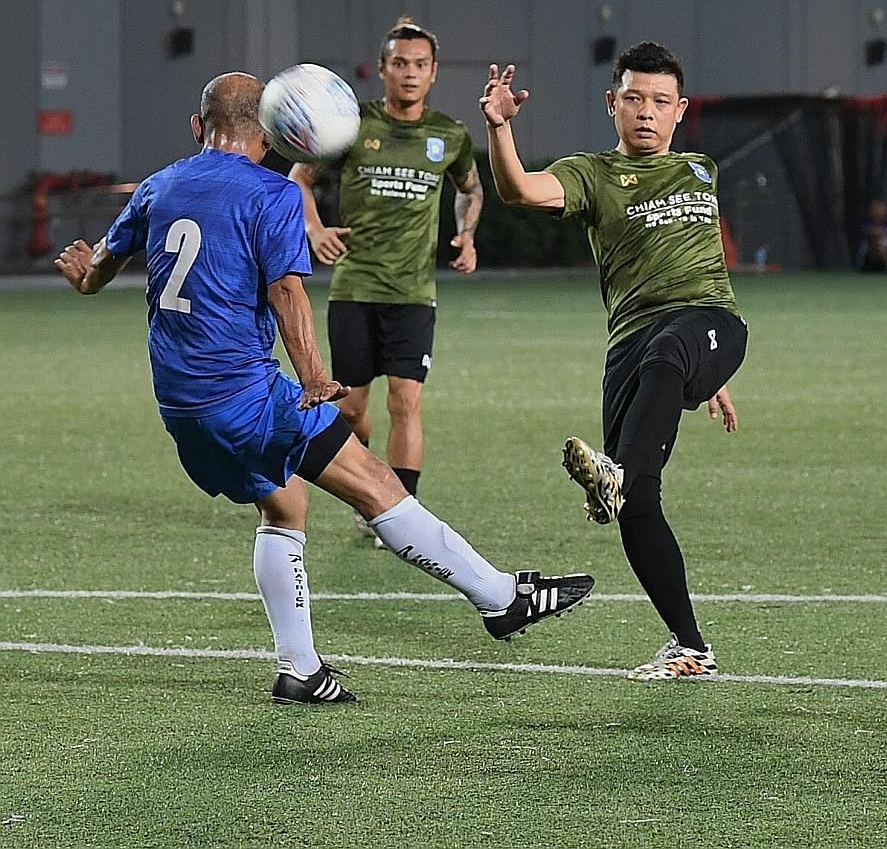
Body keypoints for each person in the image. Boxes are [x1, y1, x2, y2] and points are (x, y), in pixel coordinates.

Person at [55, 72, 592, 705]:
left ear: (198, 129)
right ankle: (500, 599)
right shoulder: (271, 193)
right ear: (276, 133)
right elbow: (287, 293)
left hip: (180, 403)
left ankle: (300, 669)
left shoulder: (158, 186)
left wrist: (82, 270)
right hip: (247, 398)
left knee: (285, 508)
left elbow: (94, 276)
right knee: (378, 486)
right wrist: (314, 376)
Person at [480, 42, 747, 681]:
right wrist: (500, 128)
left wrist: (710, 370)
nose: (647, 112)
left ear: (680, 110)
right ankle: (690, 647)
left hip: (703, 328)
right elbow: (519, 190)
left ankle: (613, 474)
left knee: (667, 351)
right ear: (612, 104)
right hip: (635, 352)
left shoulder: (700, 169)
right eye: (634, 99)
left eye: (660, 101)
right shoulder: (593, 174)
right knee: (638, 500)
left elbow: (708, 275)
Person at [288, 17, 481, 535]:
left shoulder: (450, 134)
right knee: (351, 410)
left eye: (420, 65)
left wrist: (467, 232)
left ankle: (399, 515)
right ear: (382, 70)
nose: (410, 73)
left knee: (406, 397)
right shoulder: (352, 126)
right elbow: (299, 180)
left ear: (434, 72)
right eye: (400, 64)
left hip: (414, 292)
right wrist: (314, 229)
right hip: (355, 287)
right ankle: (369, 482)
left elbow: (471, 189)